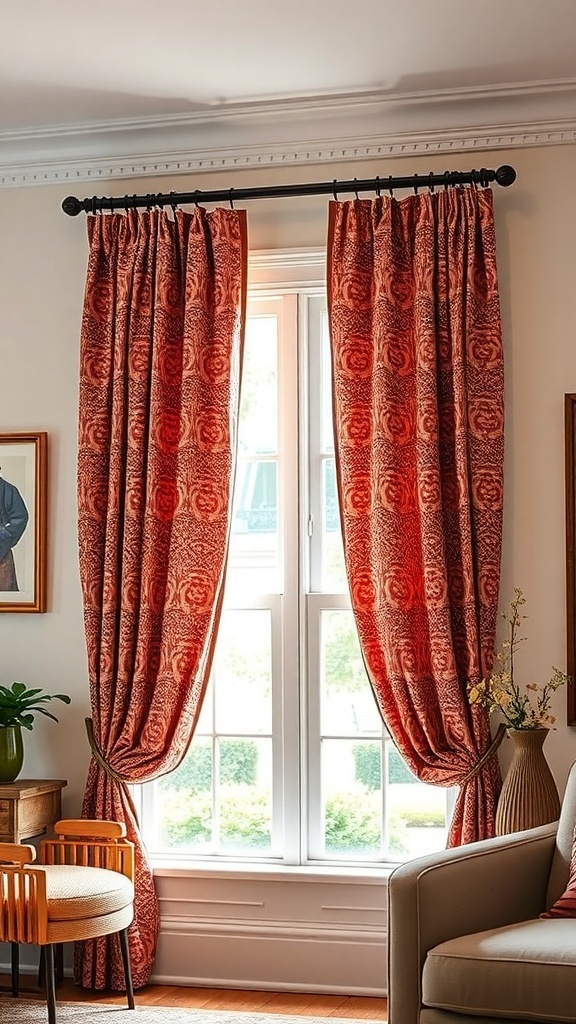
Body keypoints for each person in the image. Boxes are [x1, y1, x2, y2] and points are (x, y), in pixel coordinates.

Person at [0, 466, 29, 591]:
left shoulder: (8, 490)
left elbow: (20, 517)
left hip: (1, 555)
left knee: (6, 597)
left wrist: (3, 538)